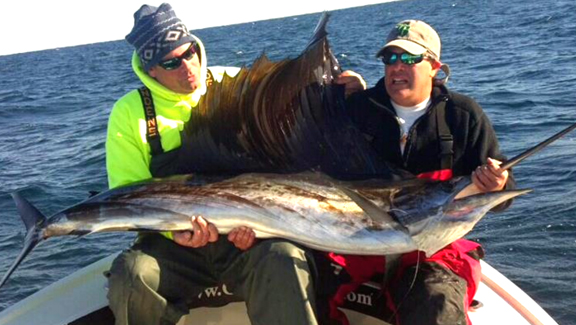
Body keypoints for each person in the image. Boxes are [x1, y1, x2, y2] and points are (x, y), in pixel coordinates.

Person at [105, 3, 319, 325]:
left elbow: (294, 110)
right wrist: (173, 234)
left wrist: (343, 90)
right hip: (175, 246)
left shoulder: (231, 82)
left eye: (189, 52)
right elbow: (127, 198)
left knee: (284, 258)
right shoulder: (129, 112)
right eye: (171, 62)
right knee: (132, 275)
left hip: (245, 236)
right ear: (151, 70)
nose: (187, 66)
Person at [323, 20, 517, 325]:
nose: (397, 67)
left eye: (410, 58)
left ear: (435, 67)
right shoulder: (357, 108)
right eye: (391, 59)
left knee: (436, 303)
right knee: (298, 284)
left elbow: (503, 198)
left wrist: (499, 183)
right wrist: (333, 93)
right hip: (354, 240)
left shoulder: (462, 115)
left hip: (431, 249)